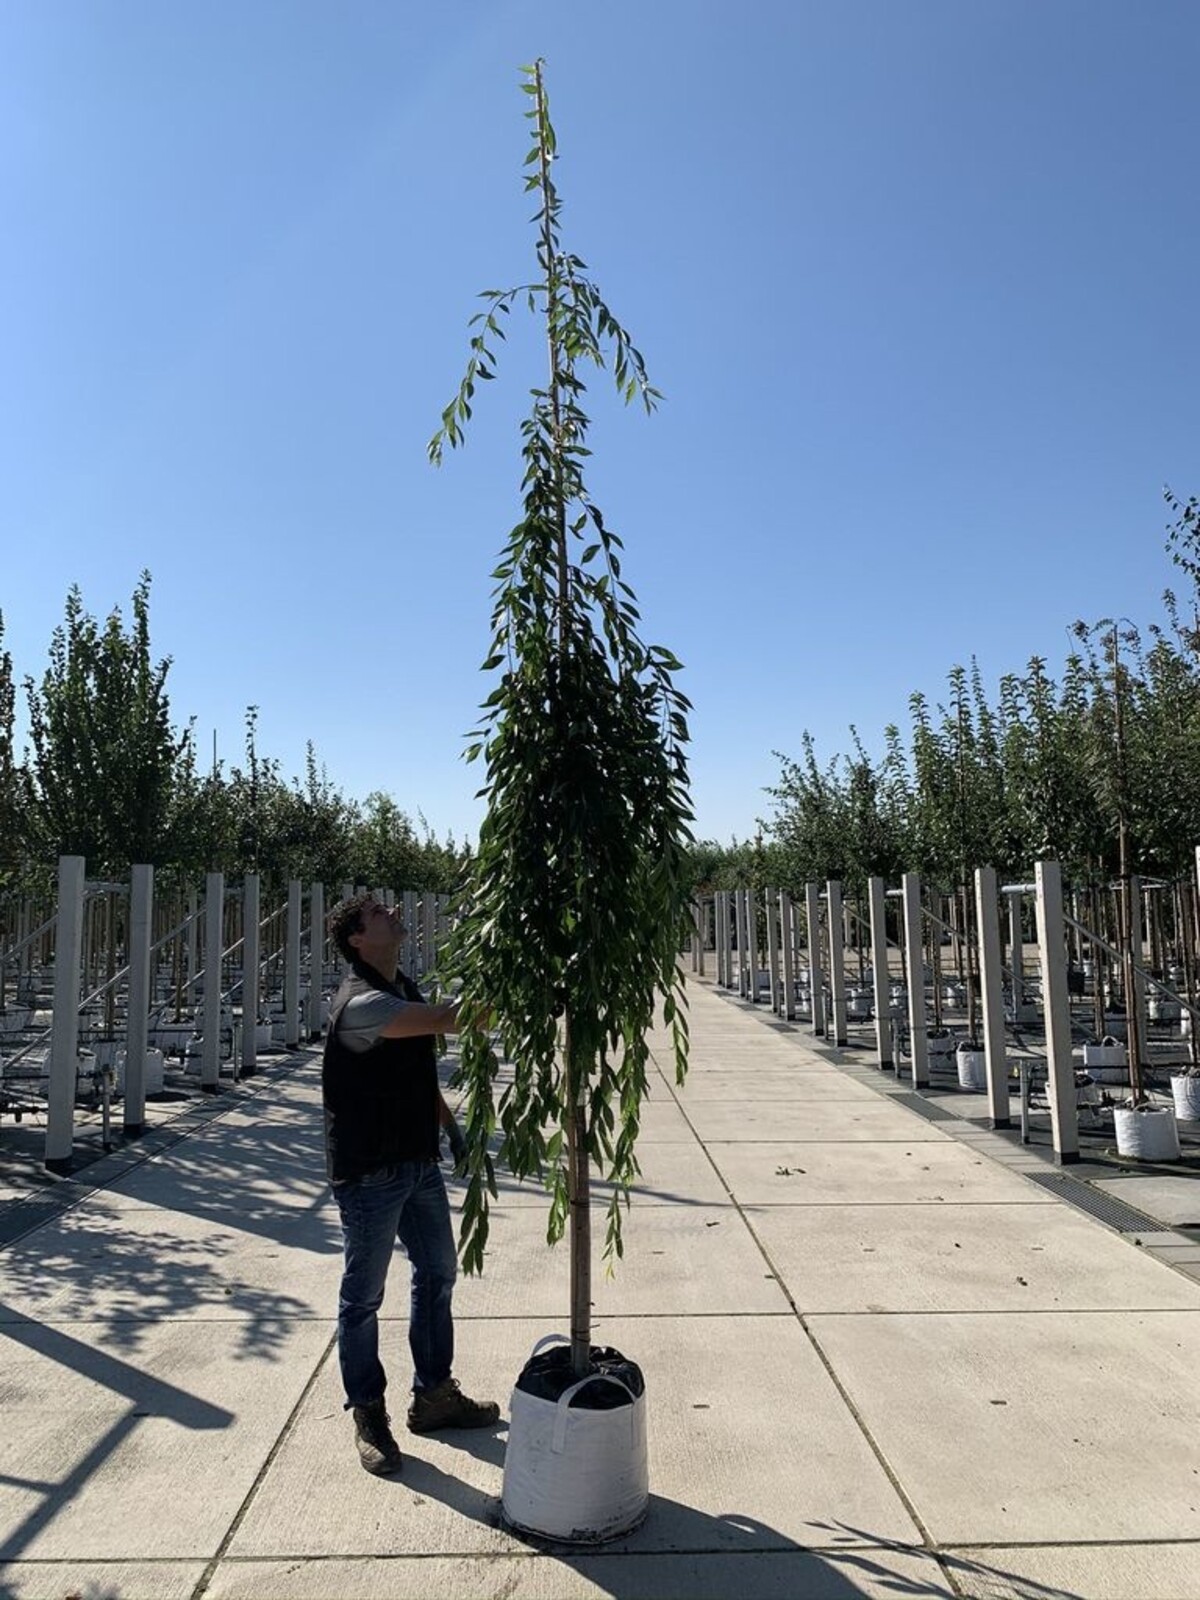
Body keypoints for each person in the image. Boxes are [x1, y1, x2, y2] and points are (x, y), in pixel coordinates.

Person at [323, 892, 499, 1475]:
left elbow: (418, 1073)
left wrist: (450, 1127)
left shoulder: (402, 988)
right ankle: (368, 1412)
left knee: (438, 1272)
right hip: (370, 1171)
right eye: (379, 913)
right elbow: (453, 1019)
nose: (394, 912)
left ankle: (434, 1395)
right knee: (362, 1298)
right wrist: (519, 993)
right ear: (357, 939)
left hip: (416, 1161)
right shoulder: (362, 1002)